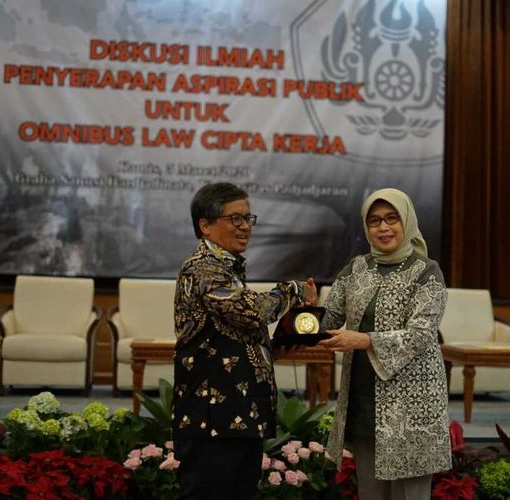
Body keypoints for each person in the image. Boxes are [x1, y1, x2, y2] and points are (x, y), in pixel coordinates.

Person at [172, 182, 317, 500]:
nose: (243, 227)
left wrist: (278, 345)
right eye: (234, 218)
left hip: (240, 416)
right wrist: (292, 291)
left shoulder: (230, 271)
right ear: (205, 225)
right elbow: (250, 311)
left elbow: (236, 339)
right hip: (211, 421)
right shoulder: (202, 270)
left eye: (248, 218)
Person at [318, 188, 451, 500]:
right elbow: (329, 319)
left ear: (407, 221)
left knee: (410, 494)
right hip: (364, 399)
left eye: (392, 218)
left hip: (412, 405)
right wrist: (308, 310)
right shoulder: (356, 269)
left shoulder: (426, 271)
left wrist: (363, 339)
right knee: (371, 492)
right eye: (375, 221)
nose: (383, 227)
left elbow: (421, 333)